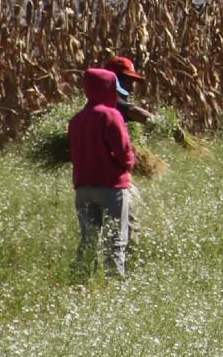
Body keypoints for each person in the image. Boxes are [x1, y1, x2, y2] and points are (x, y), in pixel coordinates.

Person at [68, 66, 136, 278]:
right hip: (111, 188)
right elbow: (124, 152)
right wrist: (130, 163)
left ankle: (80, 281)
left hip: (83, 189)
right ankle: (115, 285)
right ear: (107, 88)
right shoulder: (111, 115)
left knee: (88, 240)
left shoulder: (76, 120)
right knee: (115, 242)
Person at [106, 55, 159, 126]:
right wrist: (160, 124)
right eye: (128, 82)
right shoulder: (109, 101)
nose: (131, 88)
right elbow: (132, 110)